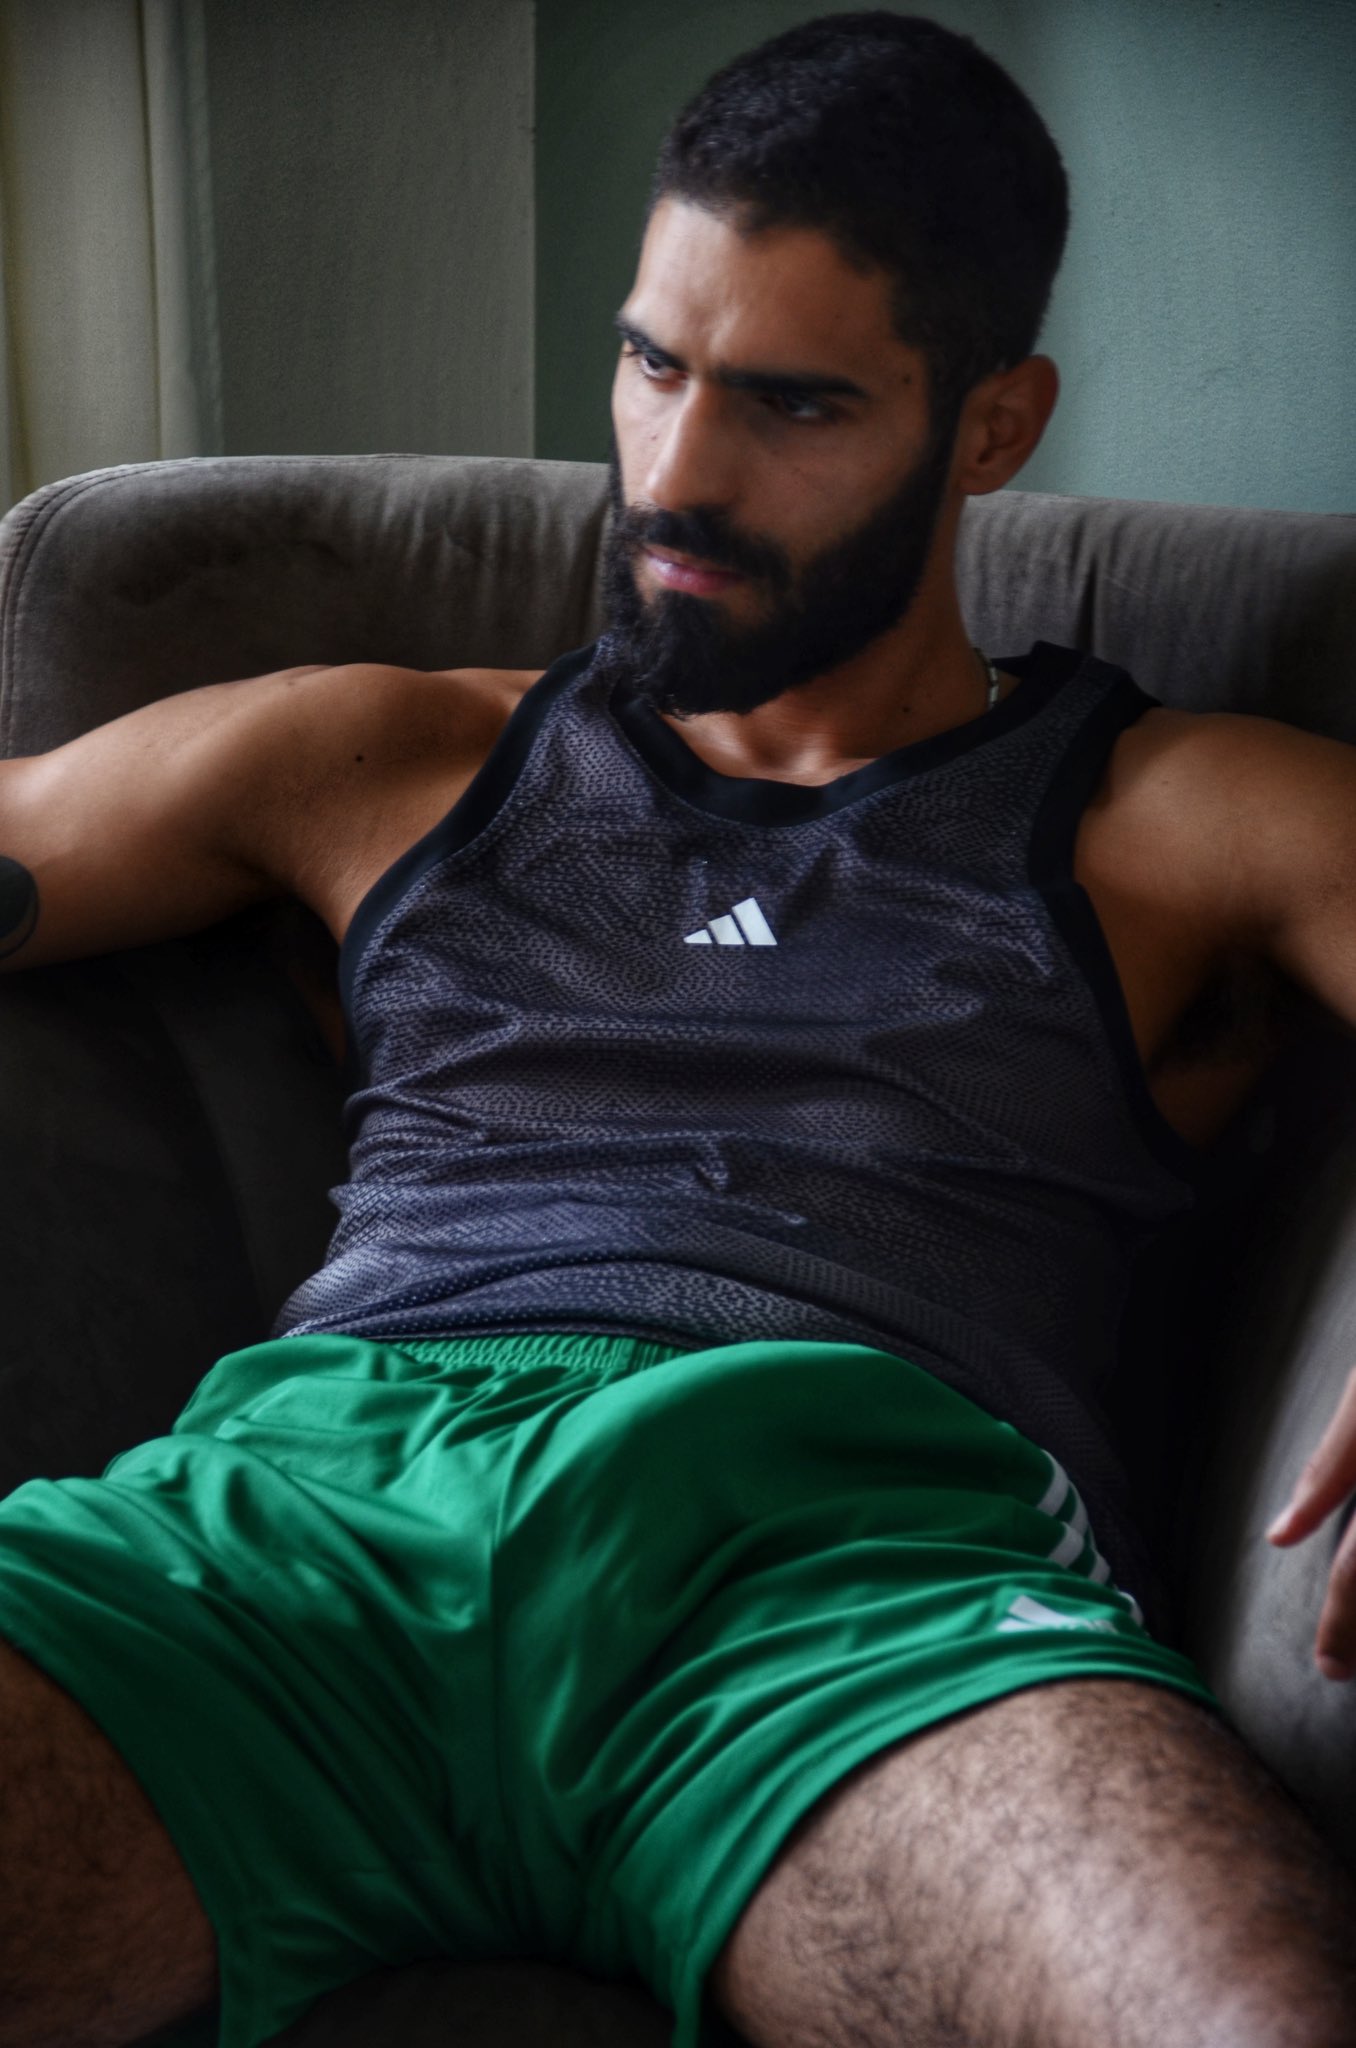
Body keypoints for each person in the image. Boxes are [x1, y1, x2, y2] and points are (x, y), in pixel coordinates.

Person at [0, 10, 1353, 2047]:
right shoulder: (387, 755)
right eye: (654, 365)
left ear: (993, 424)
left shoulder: (1167, 819)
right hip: (298, 1544)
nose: (679, 473)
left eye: (793, 404)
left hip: (854, 1595)